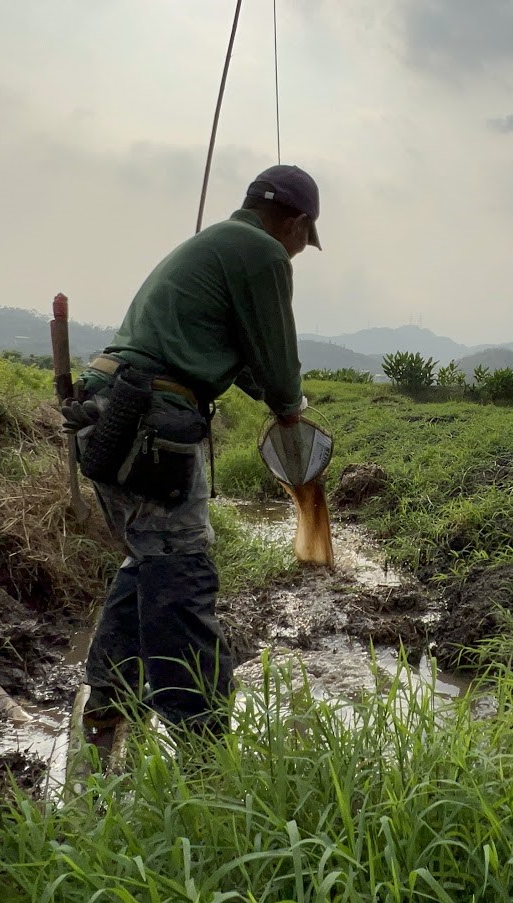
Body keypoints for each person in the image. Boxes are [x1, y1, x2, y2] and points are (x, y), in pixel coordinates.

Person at [62, 164, 322, 754]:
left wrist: (272, 392)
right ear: (297, 223)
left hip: (106, 409)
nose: (300, 251)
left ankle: (108, 701)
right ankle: (202, 744)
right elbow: (277, 360)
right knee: (182, 570)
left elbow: (242, 358)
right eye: (306, 240)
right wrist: (290, 410)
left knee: (148, 557)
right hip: (152, 419)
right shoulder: (262, 252)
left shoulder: (213, 245)